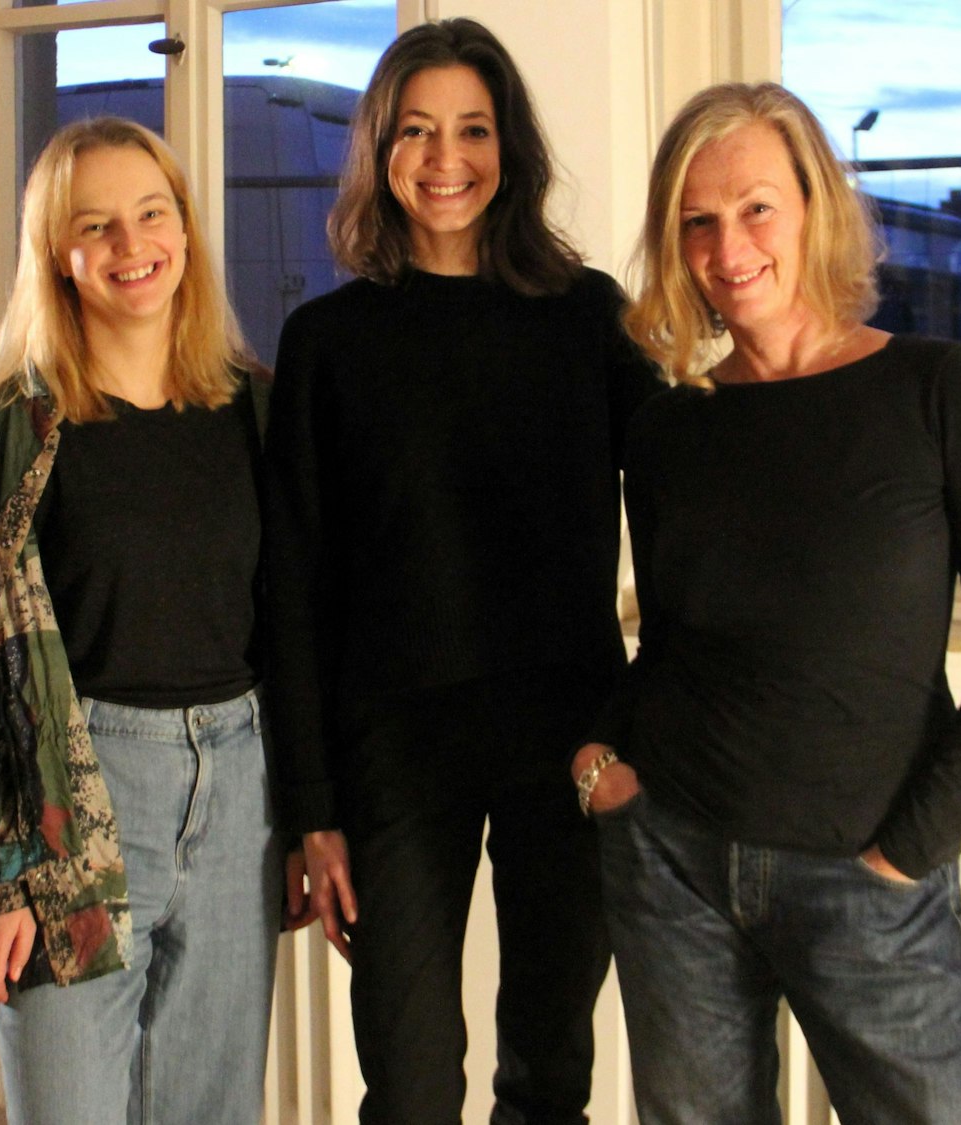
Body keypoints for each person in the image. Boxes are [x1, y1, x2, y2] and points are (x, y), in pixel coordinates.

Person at [578, 82, 961, 1124]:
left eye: (754, 208)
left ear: (813, 207)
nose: (725, 245)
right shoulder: (667, 430)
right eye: (694, 222)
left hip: (866, 875)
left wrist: (911, 847)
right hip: (676, 869)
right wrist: (602, 758)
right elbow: (665, 641)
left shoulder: (937, 389)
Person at [262, 18, 661, 1125]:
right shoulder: (327, 343)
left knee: (547, 1075)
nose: (447, 159)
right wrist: (310, 808)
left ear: (510, 146)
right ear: (378, 148)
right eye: (418, 130)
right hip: (391, 754)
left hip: (566, 746)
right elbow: (290, 588)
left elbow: (688, 523)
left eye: (473, 129)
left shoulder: (589, 319)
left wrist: (642, 729)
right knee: (408, 1081)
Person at [0, 116, 303, 1125]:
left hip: (238, 796)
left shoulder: (254, 411)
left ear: (184, 225)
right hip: (77, 799)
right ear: (57, 251)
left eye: (152, 214)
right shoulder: (16, 428)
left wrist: (311, 812)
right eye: (97, 226)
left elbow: (296, 628)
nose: (133, 247)